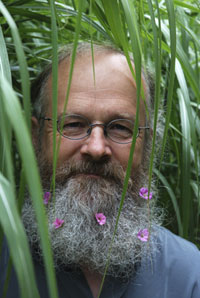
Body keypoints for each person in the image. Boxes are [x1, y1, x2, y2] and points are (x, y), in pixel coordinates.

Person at [0, 43, 200, 298]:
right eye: (72, 124)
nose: (96, 148)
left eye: (120, 128)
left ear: (148, 146)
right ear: (36, 138)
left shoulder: (188, 274)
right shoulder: (4, 254)